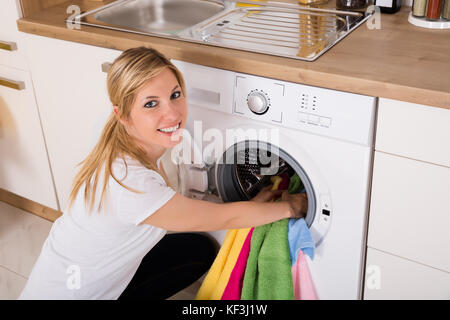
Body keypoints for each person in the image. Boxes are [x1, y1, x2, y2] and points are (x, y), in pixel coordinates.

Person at [19, 47, 308, 300]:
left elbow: (202, 212)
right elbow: (226, 217)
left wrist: (251, 205)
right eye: (151, 103)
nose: (172, 114)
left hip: (67, 277)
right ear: (122, 114)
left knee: (196, 250)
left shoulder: (118, 140)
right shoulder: (130, 183)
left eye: (175, 95)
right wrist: (292, 206)